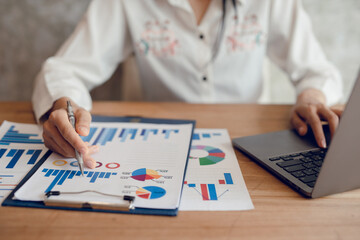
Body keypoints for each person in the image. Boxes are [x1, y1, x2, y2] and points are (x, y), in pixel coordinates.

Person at [32, 0, 343, 169]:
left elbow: (315, 69)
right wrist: (63, 104)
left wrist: (313, 96)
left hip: (249, 148)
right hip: (155, 146)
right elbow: (65, 69)